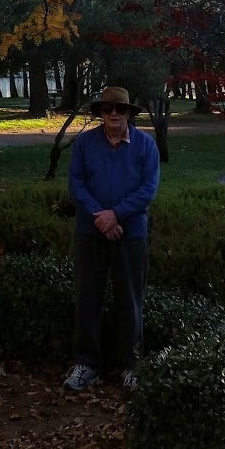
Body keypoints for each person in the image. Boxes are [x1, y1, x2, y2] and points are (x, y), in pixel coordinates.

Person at [64, 84, 160, 392]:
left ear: (129, 114)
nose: (114, 114)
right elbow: (76, 185)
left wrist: (116, 215)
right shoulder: (84, 144)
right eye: (108, 109)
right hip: (90, 234)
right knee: (87, 299)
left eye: (120, 109)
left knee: (130, 302)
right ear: (100, 114)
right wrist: (101, 218)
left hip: (130, 235)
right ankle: (87, 363)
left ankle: (131, 365)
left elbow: (148, 190)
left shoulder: (146, 146)